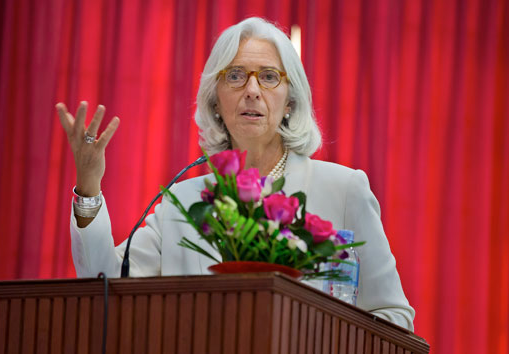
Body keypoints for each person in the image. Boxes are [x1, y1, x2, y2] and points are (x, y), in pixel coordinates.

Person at [57, 17, 415, 330]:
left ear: (290, 101)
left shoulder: (343, 189)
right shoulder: (182, 203)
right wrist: (89, 184)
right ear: (216, 101)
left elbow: (394, 315)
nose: (253, 91)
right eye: (236, 76)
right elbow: (105, 284)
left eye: (270, 77)